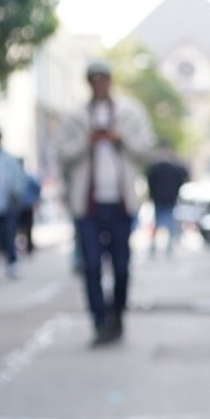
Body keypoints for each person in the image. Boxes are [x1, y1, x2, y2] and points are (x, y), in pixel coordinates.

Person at [57, 61, 156, 344]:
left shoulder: (130, 111)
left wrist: (119, 139)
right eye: (94, 79)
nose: (99, 83)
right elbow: (62, 153)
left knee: (122, 267)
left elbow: (145, 149)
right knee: (90, 267)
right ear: (88, 83)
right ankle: (99, 323)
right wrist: (86, 141)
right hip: (87, 205)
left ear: (111, 81)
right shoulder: (75, 116)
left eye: (103, 78)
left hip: (121, 203)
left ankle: (117, 315)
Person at [0, 125, 25, 277]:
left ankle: (11, 262)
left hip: (6, 202)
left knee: (8, 234)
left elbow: (17, 180)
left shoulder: (8, 159)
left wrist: (15, 196)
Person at [145, 148, 190, 257]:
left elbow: (150, 180)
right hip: (168, 198)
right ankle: (164, 248)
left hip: (162, 198)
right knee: (166, 224)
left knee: (161, 223)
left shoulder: (157, 167)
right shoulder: (173, 168)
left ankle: (158, 248)